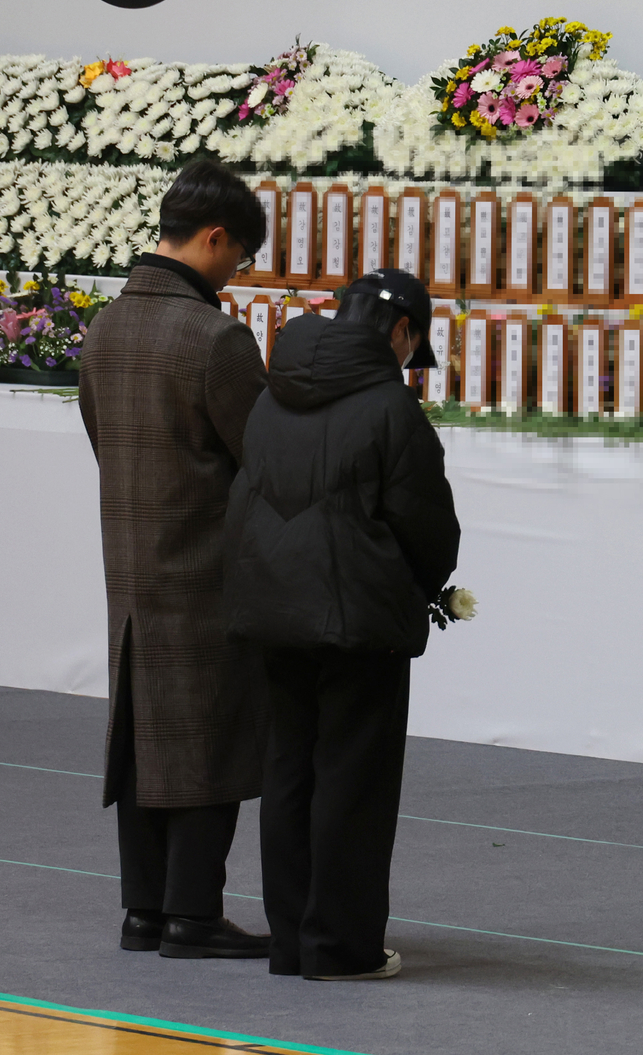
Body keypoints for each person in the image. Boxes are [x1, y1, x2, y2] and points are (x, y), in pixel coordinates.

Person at [225, 268, 460, 981]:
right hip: (359, 619)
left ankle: (293, 939)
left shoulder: (274, 393)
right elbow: (428, 529)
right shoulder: (393, 409)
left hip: (273, 610)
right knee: (351, 782)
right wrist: (425, 588)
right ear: (400, 333)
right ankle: (340, 945)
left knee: (288, 772)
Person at [77, 158, 272, 960]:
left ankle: (143, 911)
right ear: (215, 236)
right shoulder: (215, 336)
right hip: (207, 564)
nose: (239, 271)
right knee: (209, 736)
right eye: (241, 256)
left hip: (128, 563)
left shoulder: (106, 325)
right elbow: (263, 456)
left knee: (142, 735)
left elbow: (99, 437)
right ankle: (193, 914)